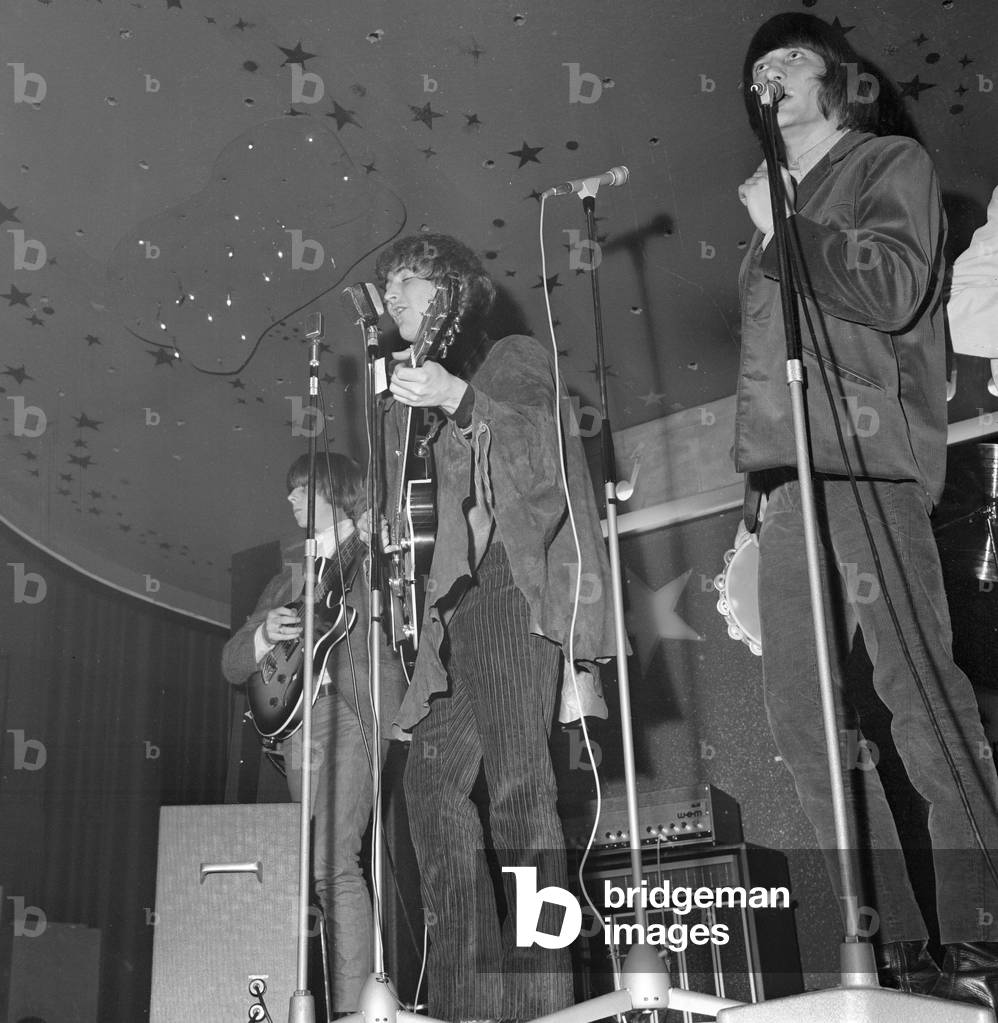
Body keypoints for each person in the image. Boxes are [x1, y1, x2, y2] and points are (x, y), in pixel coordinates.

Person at [733, 12, 998, 1009]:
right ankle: (876, 955)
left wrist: (785, 229)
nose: (767, 76)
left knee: (919, 698)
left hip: (865, 465)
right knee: (801, 723)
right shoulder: (779, 206)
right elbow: (771, 377)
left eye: (787, 62)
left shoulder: (885, 163)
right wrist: (756, 494)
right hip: (793, 481)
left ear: (839, 83)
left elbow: (887, 292)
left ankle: (982, 939)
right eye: (757, 68)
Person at [373, 233, 617, 1023]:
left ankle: (542, 1005)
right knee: (430, 785)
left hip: (511, 587)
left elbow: (545, 456)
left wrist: (457, 397)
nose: (389, 301)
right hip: (455, 612)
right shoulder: (408, 400)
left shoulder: (507, 355)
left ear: (444, 289)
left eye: (401, 283)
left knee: (519, 789)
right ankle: (468, 1002)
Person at [221, 452, 404, 1013]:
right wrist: (264, 638)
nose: (291, 501)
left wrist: (380, 541)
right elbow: (232, 663)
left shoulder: (374, 544)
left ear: (334, 491)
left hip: (355, 711)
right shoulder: (286, 578)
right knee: (320, 871)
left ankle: (354, 1010)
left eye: (301, 490)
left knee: (332, 861)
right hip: (303, 724)